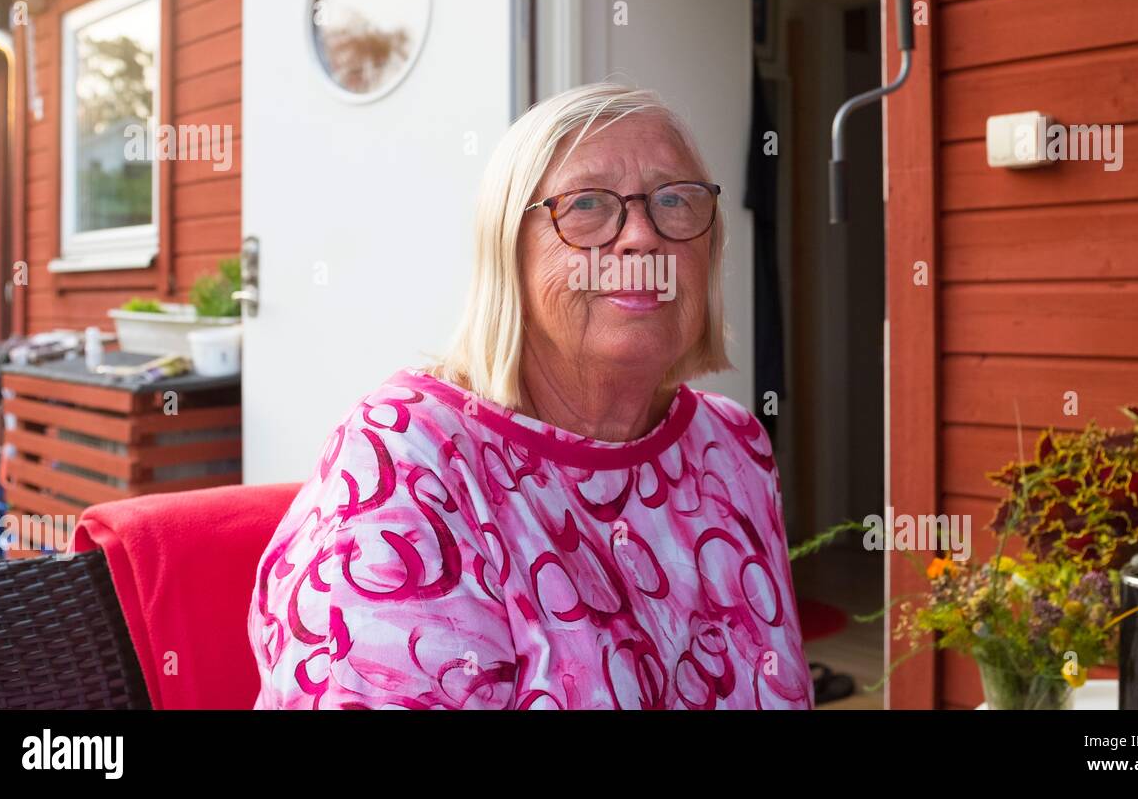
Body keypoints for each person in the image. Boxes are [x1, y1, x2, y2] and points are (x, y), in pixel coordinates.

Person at [247, 81, 812, 709]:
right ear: (507, 250)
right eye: (588, 204)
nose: (642, 238)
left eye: (674, 200)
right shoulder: (407, 455)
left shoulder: (731, 442)